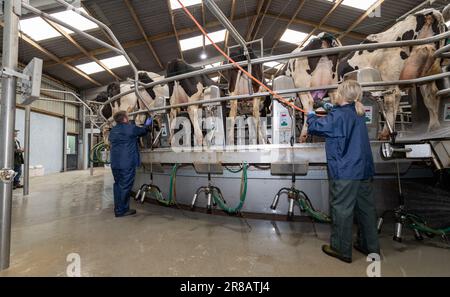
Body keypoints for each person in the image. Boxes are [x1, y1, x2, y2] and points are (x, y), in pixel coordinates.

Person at [307, 80, 380, 263]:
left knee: (342, 209)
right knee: (366, 210)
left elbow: (316, 127)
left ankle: (341, 249)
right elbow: (339, 118)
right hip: (363, 169)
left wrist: (310, 114)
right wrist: (328, 107)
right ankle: (369, 246)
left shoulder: (339, 115)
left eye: (337, 93)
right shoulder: (358, 112)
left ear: (342, 95)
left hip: (347, 171)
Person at [109, 111, 152, 217]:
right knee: (125, 186)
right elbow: (143, 130)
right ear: (124, 119)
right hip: (126, 164)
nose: (128, 119)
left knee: (118, 186)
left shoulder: (113, 130)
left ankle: (118, 208)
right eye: (127, 117)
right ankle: (122, 211)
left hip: (115, 164)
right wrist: (148, 122)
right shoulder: (130, 128)